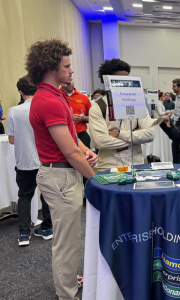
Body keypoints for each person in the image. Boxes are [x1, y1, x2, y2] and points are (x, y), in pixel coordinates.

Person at [25, 39, 98, 300]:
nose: (71, 71)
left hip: (62, 174)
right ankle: (67, 293)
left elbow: (70, 138)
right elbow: (68, 151)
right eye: (67, 66)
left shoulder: (55, 96)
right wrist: (96, 180)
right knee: (66, 242)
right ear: (51, 68)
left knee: (69, 238)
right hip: (60, 176)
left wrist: (85, 149)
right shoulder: (50, 100)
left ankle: (67, 282)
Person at [7, 76, 53, 246]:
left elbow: (11, 140)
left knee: (24, 196)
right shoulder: (45, 107)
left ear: (20, 91)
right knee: (47, 196)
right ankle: (48, 228)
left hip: (24, 162)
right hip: (45, 160)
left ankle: (24, 234)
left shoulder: (14, 111)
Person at [89, 58, 154, 173]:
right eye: (120, 80)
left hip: (136, 165)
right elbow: (100, 142)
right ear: (108, 82)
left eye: (127, 80)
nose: (125, 84)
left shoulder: (137, 104)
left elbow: (150, 134)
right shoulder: (98, 107)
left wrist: (119, 134)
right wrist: (135, 138)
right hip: (109, 167)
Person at [60, 79, 92, 151]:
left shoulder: (83, 98)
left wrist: (84, 118)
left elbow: (93, 118)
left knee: (86, 159)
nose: (69, 83)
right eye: (66, 82)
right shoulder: (56, 96)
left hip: (81, 134)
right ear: (60, 83)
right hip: (63, 135)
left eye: (70, 80)